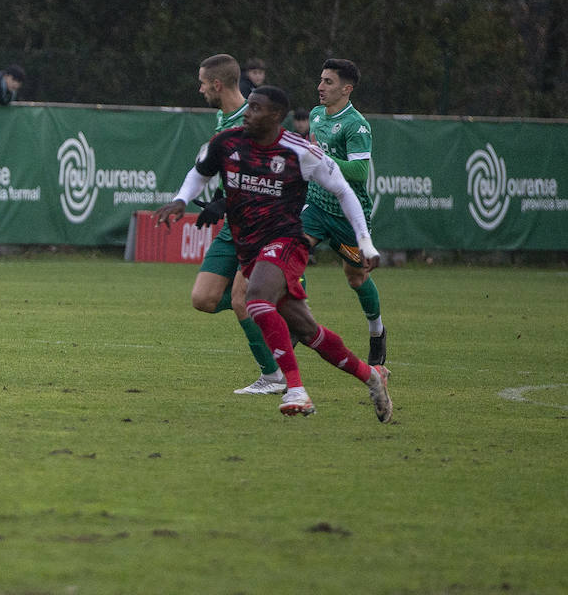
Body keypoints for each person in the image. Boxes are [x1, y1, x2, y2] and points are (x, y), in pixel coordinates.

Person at [155, 85, 392, 422]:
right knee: (309, 332)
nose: (248, 113)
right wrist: (181, 199)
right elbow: (200, 171)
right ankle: (371, 375)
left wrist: (365, 242)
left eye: (256, 108)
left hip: (287, 241)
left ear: (276, 116)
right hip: (249, 245)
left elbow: (343, 189)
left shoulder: (298, 151)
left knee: (255, 298)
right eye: (248, 107)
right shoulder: (228, 142)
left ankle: (294, 389)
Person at [180, 54, 284, 396]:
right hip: (233, 226)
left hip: (261, 224)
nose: (199, 89)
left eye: (202, 82)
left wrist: (225, 201)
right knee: (204, 299)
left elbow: (264, 176)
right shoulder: (223, 120)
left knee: (241, 299)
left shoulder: (254, 119)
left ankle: (272, 376)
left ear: (217, 84)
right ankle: (272, 305)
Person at [302, 58, 388, 365]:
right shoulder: (315, 115)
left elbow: (359, 171)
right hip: (315, 205)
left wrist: (322, 159)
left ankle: (377, 331)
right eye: (321, 80)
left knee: (355, 277)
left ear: (346, 89)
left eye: (328, 82)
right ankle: (299, 322)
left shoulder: (356, 125)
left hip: (347, 213)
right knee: (290, 257)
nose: (320, 87)